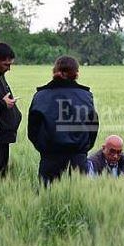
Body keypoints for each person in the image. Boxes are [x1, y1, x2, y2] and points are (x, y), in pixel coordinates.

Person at [28, 55, 99, 186]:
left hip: (50, 156)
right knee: (79, 196)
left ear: (54, 71)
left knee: (47, 196)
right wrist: (84, 148)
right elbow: (93, 125)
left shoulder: (41, 95)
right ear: (76, 73)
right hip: (78, 156)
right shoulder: (86, 95)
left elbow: (33, 128)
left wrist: (43, 148)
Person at [0, 42, 22, 176]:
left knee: (2, 174)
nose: (9, 68)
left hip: (4, 136)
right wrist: (2, 103)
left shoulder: (0, 76)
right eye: (6, 64)